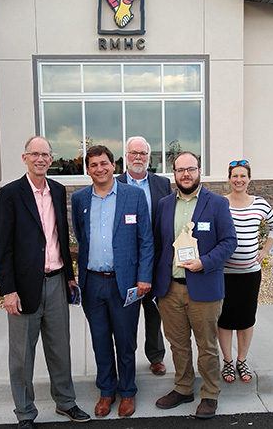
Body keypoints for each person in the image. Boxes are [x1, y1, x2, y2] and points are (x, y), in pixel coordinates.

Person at [0, 136, 91, 428]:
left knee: (60, 349)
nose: (40, 159)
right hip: (24, 287)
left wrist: (69, 278)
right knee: (22, 356)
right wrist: (8, 290)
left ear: (51, 159)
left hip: (56, 282)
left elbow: (60, 239)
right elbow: (3, 246)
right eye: (34, 154)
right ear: (25, 158)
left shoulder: (58, 191)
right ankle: (25, 412)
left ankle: (66, 402)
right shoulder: (10, 194)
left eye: (45, 154)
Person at [152, 151, 237, 419]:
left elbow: (229, 242)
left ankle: (210, 394)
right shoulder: (164, 204)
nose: (185, 174)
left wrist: (205, 262)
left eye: (191, 169)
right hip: (170, 288)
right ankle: (183, 388)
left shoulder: (217, 203)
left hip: (204, 286)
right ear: (173, 173)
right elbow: (156, 245)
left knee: (207, 345)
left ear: (199, 171)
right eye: (180, 170)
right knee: (177, 344)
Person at [71, 145, 153, 418]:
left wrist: (143, 277)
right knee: (100, 339)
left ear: (114, 165)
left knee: (126, 340)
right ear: (88, 169)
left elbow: (146, 240)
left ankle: (128, 391)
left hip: (125, 282)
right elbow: (81, 238)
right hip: (93, 282)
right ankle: (106, 391)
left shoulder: (134, 196)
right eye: (93, 165)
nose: (99, 169)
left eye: (103, 163)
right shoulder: (80, 199)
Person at [219, 160, 273, 385]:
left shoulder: (260, 204)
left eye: (243, 176)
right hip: (224, 273)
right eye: (234, 176)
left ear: (249, 179)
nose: (238, 180)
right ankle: (227, 360)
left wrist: (265, 250)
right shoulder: (220, 203)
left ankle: (241, 359)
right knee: (225, 318)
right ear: (229, 179)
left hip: (249, 273)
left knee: (246, 318)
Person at [115, 136, 171, 376]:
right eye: (133, 153)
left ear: (150, 157)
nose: (138, 157)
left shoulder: (162, 184)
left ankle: (156, 356)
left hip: (155, 260)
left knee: (154, 313)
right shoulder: (114, 183)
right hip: (125, 262)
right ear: (125, 156)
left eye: (143, 153)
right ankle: (127, 358)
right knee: (126, 316)